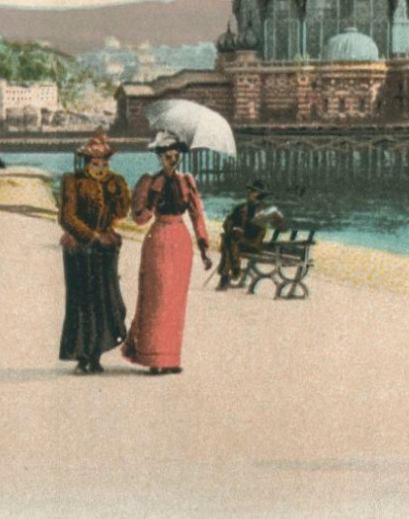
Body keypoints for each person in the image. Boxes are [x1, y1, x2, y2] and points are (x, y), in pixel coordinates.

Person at [122, 132, 212, 376]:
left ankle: (170, 358)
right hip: (158, 240)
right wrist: (151, 200)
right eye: (168, 157)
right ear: (160, 158)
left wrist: (203, 247)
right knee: (156, 298)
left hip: (181, 242)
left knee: (175, 301)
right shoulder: (150, 182)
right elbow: (139, 219)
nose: (173, 161)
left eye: (176, 156)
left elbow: (197, 215)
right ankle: (153, 358)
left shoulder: (187, 182)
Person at [58, 132, 132, 374]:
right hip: (80, 248)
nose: (100, 168)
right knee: (82, 302)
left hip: (105, 249)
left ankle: (97, 354)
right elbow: (67, 216)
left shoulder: (115, 182)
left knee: (106, 299)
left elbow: (121, 212)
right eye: (95, 163)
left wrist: (116, 190)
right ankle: (82, 355)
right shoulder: (72, 181)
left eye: (104, 164)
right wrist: (91, 236)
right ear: (86, 162)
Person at [217, 180, 276, 291]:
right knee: (228, 239)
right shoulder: (240, 208)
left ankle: (227, 275)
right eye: (249, 190)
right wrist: (232, 227)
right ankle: (234, 268)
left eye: (253, 191)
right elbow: (227, 222)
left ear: (260, 195)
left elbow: (258, 232)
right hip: (238, 241)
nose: (249, 192)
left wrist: (242, 233)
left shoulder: (263, 212)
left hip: (252, 243)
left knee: (229, 241)